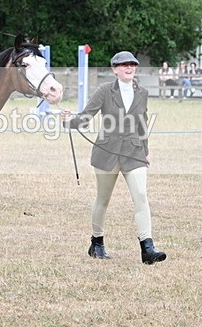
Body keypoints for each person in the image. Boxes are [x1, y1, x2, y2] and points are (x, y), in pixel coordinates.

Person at [63, 51, 166, 265]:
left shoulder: (143, 93)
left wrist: (145, 151)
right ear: (115, 69)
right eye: (124, 65)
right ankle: (97, 242)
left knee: (141, 195)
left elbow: (143, 124)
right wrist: (69, 121)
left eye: (132, 64)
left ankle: (147, 248)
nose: (129, 68)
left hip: (133, 152)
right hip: (107, 153)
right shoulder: (104, 91)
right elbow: (87, 115)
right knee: (103, 199)